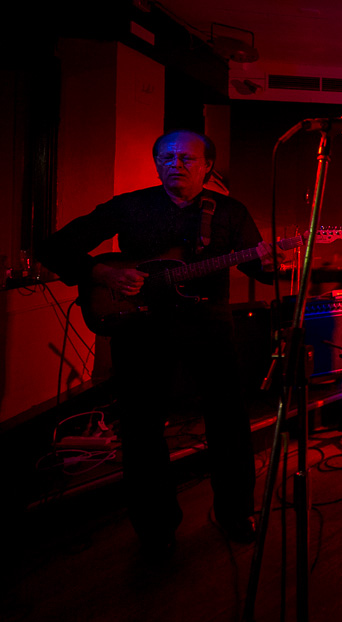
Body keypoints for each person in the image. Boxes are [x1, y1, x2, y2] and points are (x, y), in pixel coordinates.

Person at [38, 129, 279, 556]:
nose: (175, 164)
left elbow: (260, 269)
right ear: (156, 165)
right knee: (141, 427)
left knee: (228, 419)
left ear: (207, 166)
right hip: (141, 328)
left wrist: (278, 263)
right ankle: (155, 528)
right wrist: (104, 273)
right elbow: (56, 247)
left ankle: (236, 512)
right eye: (166, 157)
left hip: (209, 324)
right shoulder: (129, 206)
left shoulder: (230, 211)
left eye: (187, 158)